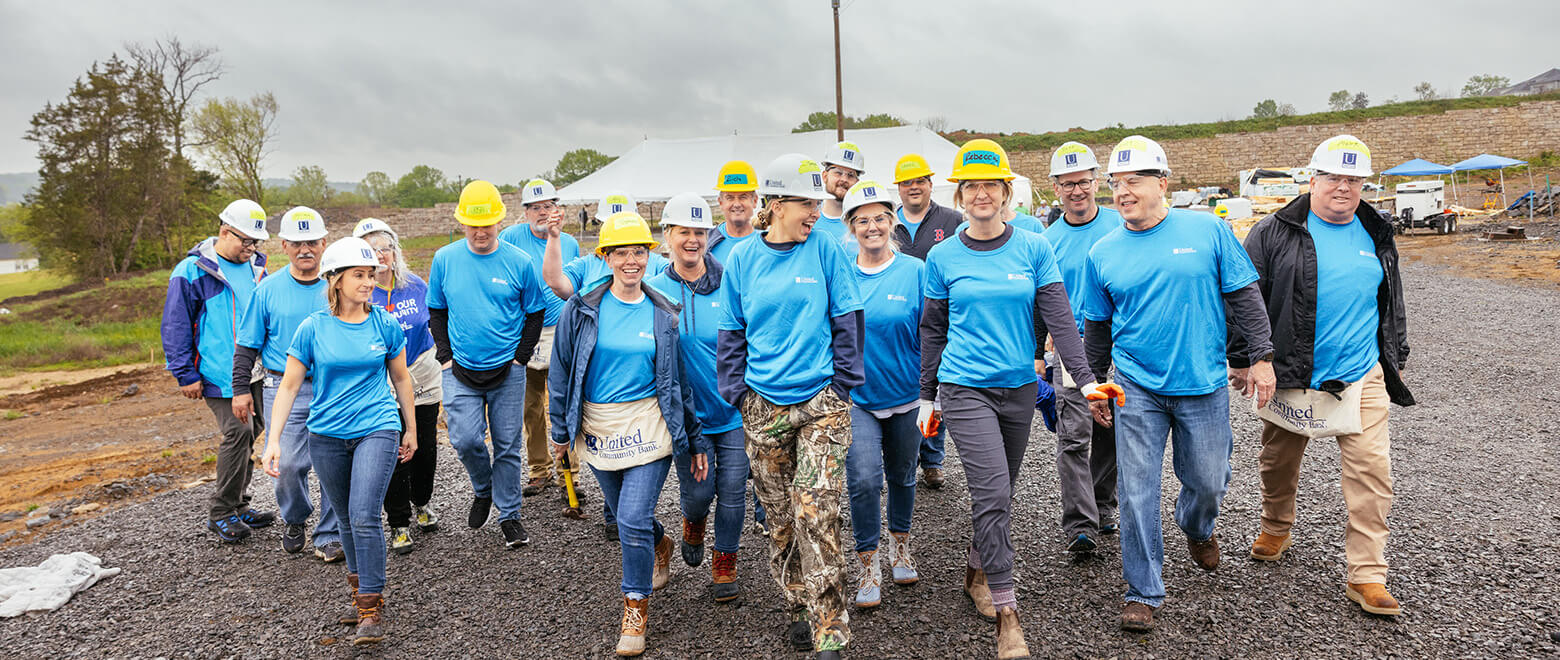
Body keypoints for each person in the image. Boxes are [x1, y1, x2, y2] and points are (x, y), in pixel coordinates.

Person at [919, 139, 1109, 659]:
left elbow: (1061, 320)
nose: (982, 195)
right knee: (993, 495)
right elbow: (933, 332)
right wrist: (926, 399)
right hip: (964, 389)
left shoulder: (1034, 248)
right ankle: (1008, 612)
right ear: (960, 194)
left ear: (1006, 193)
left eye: (991, 186)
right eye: (972, 186)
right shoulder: (941, 256)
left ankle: (977, 569)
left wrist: (1087, 380)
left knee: (1002, 490)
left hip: (1020, 389)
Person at [1080, 135, 1275, 633]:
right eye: (1117, 183)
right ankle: (1143, 590)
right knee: (1137, 489)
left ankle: (1196, 525)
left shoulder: (1207, 229)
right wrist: (1095, 384)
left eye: (1135, 180)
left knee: (1208, 481)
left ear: (1162, 182)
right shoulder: (1102, 252)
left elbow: (1246, 296)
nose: (1123, 191)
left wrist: (1261, 358)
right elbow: (1098, 327)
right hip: (1135, 385)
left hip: (1202, 381)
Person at [1234, 135, 1414, 617]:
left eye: (1353, 179)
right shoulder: (1273, 231)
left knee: (1372, 474)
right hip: (1290, 374)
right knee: (1277, 461)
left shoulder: (1377, 231)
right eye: (1333, 177)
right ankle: (1276, 524)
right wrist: (1245, 357)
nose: (1343, 187)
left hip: (1360, 375)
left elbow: (1389, 297)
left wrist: (1394, 351)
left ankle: (1367, 575)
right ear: (1311, 179)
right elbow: (1243, 299)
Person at [717, 153, 862, 660]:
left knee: (816, 508)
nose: (816, 214)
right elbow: (732, 333)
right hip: (762, 405)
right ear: (777, 205)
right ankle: (797, 602)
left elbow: (848, 318)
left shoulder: (824, 249)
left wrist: (843, 387)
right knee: (779, 517)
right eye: (806, 204)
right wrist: (737, 392)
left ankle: (830, 626)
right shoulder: (742, 259)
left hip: (821, 401)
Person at [548, 211, 711, 657]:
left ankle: (635, 607)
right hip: (599, 428)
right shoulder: (581, 308)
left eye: (639, 251)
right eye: (621, 251)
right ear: (605, 256)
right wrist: (559, 431)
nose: (631, 260)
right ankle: (660, 543)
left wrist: (694, 438)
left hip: (649, 425)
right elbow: (561, 371)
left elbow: (679, 381)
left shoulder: (662, 312)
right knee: (627, 517)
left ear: (648, 254)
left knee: (631, 518)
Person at [261, 236, 417, 646]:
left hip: (377, 427)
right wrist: (273, 439)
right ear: (336, 280)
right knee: (346, 517)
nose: (369, 282)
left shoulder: (383, 323)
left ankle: (370, 605)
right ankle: (358, 590)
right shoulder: (313, 328)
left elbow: (401, 378)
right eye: (360, 275)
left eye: (371, 275)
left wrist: (412, 428)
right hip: (326, 434)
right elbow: (290, 386)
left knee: (364, 514)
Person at [427, 180, 546, 549]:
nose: (480, 231)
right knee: (464, 439)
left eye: (488, 223)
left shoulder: (519, 262)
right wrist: (444, 357)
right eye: (473, 224)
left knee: (508, 445)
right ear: (462, 223)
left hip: (507, 370)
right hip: (459, 367)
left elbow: (535, 312)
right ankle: (483, 488)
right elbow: (437, 310)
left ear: (499, 221)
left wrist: (520, 358)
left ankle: (510, 516)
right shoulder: (445, 259)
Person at [644, 193, 750, 604]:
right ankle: (692, 521)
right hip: (686, 417)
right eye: (683, 232)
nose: (692, 240)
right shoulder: (653, 291)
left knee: (735, 488)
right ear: (666, 236)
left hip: (732, 409)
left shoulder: (730, 283)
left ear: (710, 235)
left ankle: (725, 561)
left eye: (700, 232)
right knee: (700, 493)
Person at [161, 198, 276, 543]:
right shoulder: (192, 271)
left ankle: (240, 504)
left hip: (255, 368)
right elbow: (175, 325)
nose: (251, 248)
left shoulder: (257, 268)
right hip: (217, 370)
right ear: (225, 232)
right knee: (238, 432)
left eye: (256, 242)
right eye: (246, 241)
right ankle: (222, 511)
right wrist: (185, 373)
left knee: (254, 428)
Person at [231, 206, 340, 559]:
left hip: (334, 385)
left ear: (325, 242)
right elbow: (247, 344)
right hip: (284, 387)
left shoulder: (337, 285)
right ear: (283, 246)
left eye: (312, 242)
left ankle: (330, 534)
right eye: (297, 243)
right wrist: (240, 388)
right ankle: (295, 517)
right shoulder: (269, 290)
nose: (305, 249)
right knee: (289, 464)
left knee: (333, 463)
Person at [838, 181, 924, 611]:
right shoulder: (841, 272)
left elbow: (932, 332)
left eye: (879, 219)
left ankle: (901, 546)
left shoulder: (915, 272)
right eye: (862, 220)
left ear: (893, 223)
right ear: (851, 227)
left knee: (903, 476)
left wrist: (933, 393)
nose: (872, 227)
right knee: (865, 478)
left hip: (907, 395)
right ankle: (868, 563)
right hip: (858, 399)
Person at [1040, 142, 1124, 555]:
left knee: (1110, 431)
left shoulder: (1119, 225)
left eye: (1084, 182)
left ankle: (1102, 505)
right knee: (1074, 436)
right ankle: (1080, 525)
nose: (1078, 191)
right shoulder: (1047, 240)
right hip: (1073, 352)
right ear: (1056, 188)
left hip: (1119, 345)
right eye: (1068, 184)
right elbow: (1038, 300)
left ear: (1097, 183)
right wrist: (1039, 351)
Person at [355, 218, 443, 555]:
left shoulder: (415, 285)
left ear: (395, 251)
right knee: (392, 446)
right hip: (381, 375)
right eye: (372, 250)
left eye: (385, 248)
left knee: (423, 444)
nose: (380, 256)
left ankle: (422, 502)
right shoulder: (360, 291)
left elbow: (435, 319)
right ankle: (399, 522)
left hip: (421, 368)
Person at [500, 179, 587, 511]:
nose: (543, 213)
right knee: (531, 406)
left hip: (561, 330)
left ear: (557, 209)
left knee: (566, 404)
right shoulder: (511, 239)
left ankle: (573, 473)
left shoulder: (568, 242)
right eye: (536, 208)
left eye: (548, 206)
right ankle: (540, 469)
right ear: (525, 212)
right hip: (525, 331)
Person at [887, 153, 961, 489]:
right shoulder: (888, 222)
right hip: (899, 314)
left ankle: (932, 459)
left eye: (920, 181)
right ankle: (905, 453)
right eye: (907, 183)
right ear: (898, 188)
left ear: (931, 184)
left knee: (936, 381)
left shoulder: (952, 219)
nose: (914, 187)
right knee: (906, 381)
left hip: (940, 315)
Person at [543, 190, 670, 301]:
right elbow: (556, 283)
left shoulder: (654, 262)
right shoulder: (587, 265)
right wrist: (554, 237)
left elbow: (680, 281)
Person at [708, 160, 761, 263]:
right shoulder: (708, 242)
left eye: (743, 197)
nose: (736, 204)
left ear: (754, 201)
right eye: (730, 198)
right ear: (721, 202)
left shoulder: (768, 242)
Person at [814, 140, 865, 248]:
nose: (844, 179)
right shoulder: (809, 219)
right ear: (824, 176)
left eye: (851, 175)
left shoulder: (866, 223)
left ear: (857, 183)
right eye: (838, 172)